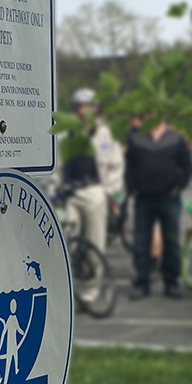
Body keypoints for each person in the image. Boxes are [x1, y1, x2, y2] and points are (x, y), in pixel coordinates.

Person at [55, 88, 125, 305]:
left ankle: (91, 290)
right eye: (80, 106)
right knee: (70, 244)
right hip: (70, 193)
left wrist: (108, 191)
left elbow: (117, 165)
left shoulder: (106, 134)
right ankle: (71, 290)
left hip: (94, 190)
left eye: (89, 106)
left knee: (95, 243)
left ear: (95, 109)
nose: (84, 111)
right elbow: (55, 166)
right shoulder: (63, 134)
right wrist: (54, 189)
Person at [125, 114, 192, 299]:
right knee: (141, 243)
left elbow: (187, 166)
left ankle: (171, 282)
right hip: (144, 198)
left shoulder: (176, 139)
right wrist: (133, 187)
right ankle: (142, 282)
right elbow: (129, 165)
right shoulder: (136, 138)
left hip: (168, 198)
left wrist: (178, 187)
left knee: (171, 241)